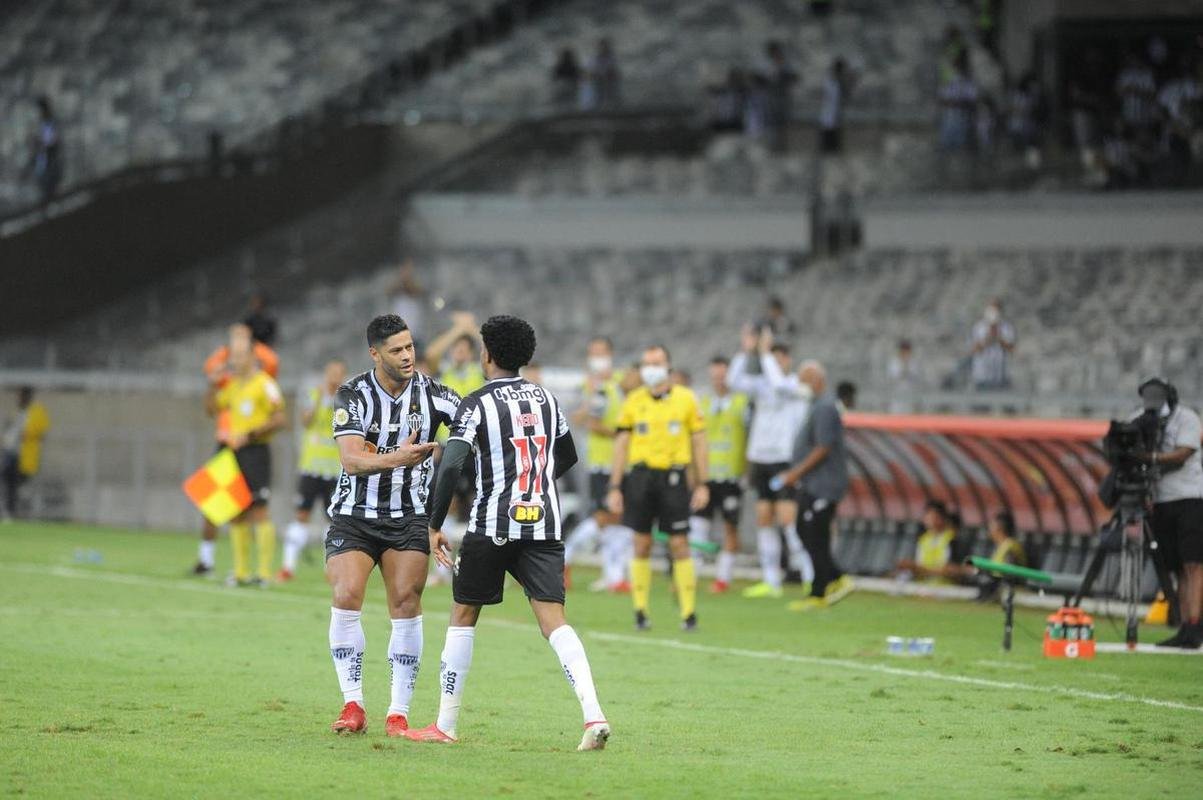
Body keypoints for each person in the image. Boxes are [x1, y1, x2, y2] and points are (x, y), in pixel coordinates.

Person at [405, 315, 610, 751]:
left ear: (488, 354)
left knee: (463, 615)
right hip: (544, 525)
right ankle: (593, 715)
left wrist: (434, 524)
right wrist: (531, 483)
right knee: (554, 621)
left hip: (492, 524)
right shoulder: (548, 399)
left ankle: (444, 724)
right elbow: (568, 456)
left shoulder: (476, 403)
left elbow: (452, 465)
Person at [324, 314, 459, 735]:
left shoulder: (436, 395)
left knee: (405, 604)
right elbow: (351, 459)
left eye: (410, 347)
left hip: (408, 518)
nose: (407, 356)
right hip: (354, 515)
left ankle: (398, 713)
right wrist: (399, 458)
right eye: (396, 350)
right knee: (347, 595)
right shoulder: (353, 394)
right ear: (375, 353)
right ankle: (353, 704)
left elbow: (472, 430)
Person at [608, 345, 708, 631]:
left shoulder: (687, 400)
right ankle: (640, 610)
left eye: (657, 362)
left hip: (674, 478)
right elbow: (621, 445)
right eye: (646, 363)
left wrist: (702, 483)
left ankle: (688, 613)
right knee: (641, 543)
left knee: (679, 542)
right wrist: (615, 486)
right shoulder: (633, 401)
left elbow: (699, 443)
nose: (651, 368)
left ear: (668, 366)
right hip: (640, 478)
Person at [727, 326, 812, 599]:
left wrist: (763, 354)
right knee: (764, 518)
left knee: (788, 519)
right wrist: (747, 351)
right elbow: (733, 381)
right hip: (760, 459)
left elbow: (777, 383)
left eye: (780, 357)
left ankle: (811, 575)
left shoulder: (796, 386)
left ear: (789, 360)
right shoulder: (763, 385)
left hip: (784, 460)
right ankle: (771, 580)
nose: (775, 362)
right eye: (773, 357)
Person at [193, 324, 279, 576]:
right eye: (233, 356)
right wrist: (211, 385)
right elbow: (212, 410)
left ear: (253, 357)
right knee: (235, 509)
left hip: (256, 451)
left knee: (259, 509)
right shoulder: (232, 385)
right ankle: (240, 572)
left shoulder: (266, 383)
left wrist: (250, 434)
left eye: (240, 356)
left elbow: (280, 418)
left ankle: (263, 574)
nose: (234, 361)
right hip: (233, 452)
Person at [774, 361, 853, 611]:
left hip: (825, 483)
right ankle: (831, 580)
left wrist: (795, 473)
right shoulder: (816, 406)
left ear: (818, 380)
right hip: (814, 483)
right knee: (806, 530)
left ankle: (823, 588)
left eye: (804, 379)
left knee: (814, 533)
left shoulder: (825, 407)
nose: (800, 385)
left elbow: (823, 447)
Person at [1136, 379, 1203, 649]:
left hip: (1190, 498)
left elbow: (1183, 454)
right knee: (1176, 568)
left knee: (1194, 565)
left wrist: (1149, 458)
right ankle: (1186, 625)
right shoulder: (1140, 419)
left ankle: (1195, 624)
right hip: (1161, 501)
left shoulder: (1185, 418)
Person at [565, 337, 632, 593]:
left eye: (601, 352)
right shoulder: (587, 385)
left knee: (616, 517)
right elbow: (581, 417)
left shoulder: (619, 381)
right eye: (593, 353)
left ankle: (613, 574)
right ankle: (565, 556)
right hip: (601, 461)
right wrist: (619, 434)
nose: (597, 357)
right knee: (604, 517)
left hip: (622, 461)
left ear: (610, 354)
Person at [280, 358, 348, 581]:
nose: (334, 378)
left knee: (333, 520)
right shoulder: (314, 395)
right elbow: (305, 421)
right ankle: (287, 567)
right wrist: (320, 400)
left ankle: (331, 567)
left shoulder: (347, 400)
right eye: (331, 373)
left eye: (338, 374)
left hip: (335, 470)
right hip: (311, 467)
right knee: (301, 515)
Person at [689, 357, 749, 593]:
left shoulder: (742, 403)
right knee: (697, 526)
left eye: (723, 375)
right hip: (706, 476)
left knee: (730, 528)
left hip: (732, 476)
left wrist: (747, 470)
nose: (719, 380)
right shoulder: (702, 403)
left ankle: (723, 578)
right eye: (714, 376)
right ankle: (690, 576)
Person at [1, 387, 50, 522]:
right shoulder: (18, 413)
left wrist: (28, 435)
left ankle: (15, 511)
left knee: (15, 484)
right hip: (11, 454)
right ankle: (10, 511)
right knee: (9, 481)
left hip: (24, 457)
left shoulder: (37, 412)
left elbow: (41, 433)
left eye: (21, 396)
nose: (18, 399)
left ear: (28, 396)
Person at [894, 500, 960, 585]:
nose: (929, 520)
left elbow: (954, 570)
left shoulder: (952, 539)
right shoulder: (923, 540)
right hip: (922, 587)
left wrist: (920, 569)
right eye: (927, 516)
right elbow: (918, 565)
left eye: (932, 516)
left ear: (942, 518)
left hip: (945, 588)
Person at [970, 298, 1016, 391]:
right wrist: (987, 339)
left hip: (1000, 376)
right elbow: (974, 349)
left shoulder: (1007, 328)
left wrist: (999, 338)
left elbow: (1011, 349)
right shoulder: (979, 327)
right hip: (982, 376)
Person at [939, 52, 978, 152]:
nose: (957, 68)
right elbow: (942, 98)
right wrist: (953, 102)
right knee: (946, 146)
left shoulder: (968, 82)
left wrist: (958, 103)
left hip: (962, 118)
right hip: (948, 118)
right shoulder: (948, 81)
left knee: (960, 147)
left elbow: (972, 100)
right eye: (955, 65)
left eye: (959, 65)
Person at [28, 96, 62, 203]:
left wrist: (39, 142)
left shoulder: (49, 122)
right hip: (44, 160)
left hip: (49, 161)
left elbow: (51, 142)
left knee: (48, 188)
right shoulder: (44, 123)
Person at [818, 58, 855, 155]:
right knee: (828, 139)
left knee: (834, 139)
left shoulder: (838, 82)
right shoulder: (830, 81)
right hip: (829, 115)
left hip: (834, 115)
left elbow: (845, 95)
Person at [386, 259, 427, 344]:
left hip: (415, 334)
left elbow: (417, 291)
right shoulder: (397, 288)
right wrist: (401, 280)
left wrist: (407, 280)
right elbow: (388, 292)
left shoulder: (416, 284)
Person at [581, 39, 620, 110]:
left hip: (608, 84)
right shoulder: (593, 59)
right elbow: (589, 71)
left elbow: (613, 71)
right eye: (602, 47)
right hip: (596, 84)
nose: (603, 49)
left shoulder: (611, 59)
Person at [887, 339, 923, 413]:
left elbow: (915, 377)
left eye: (907, 351)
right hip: (897, 394)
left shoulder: (913, 362)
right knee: (896, 415)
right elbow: (894, 377)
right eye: (903, 350)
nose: (905, 353)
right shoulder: (894, 362)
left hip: (910, 394)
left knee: (909, 415)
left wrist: (906, 364)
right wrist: (904, 365)